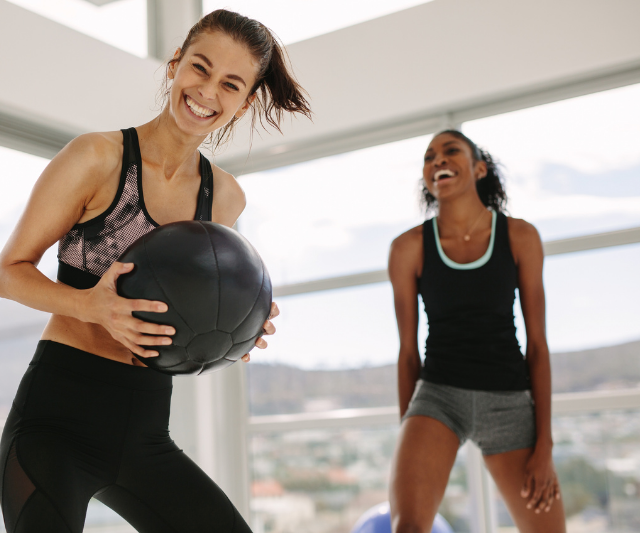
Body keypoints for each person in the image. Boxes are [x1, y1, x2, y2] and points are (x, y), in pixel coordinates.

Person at [0, 9, 310, 533]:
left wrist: (235, 329)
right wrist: (88, 305)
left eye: (230, 84)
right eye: (200, 68)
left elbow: (196, 310)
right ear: (175, 64)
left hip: (144, 431)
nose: (208, 91)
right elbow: (8, 270)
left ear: (245, 100)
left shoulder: (225, 197)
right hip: (53, 423)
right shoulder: (97, 157)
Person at [388, 130, 566, 532]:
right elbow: (407, 353)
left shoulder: (520, 236)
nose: (438, 160)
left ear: (479, 168)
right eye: (429, 156)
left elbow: (537, 345)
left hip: (508, 400)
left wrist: (545, 445)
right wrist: (408, 436)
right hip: (437, 397)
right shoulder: (408, 248)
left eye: (451, 151)